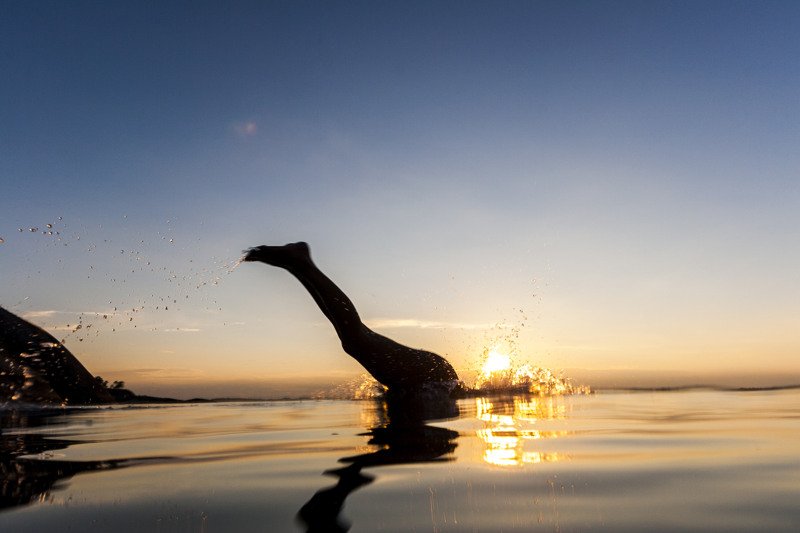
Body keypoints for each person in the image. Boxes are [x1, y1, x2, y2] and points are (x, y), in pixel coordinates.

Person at [243, 242, 461, 395]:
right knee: (356, 338)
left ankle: (296, 265)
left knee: (353, 339)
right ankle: (300, 263)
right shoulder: (443, 390)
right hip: (430, 377)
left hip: (430, 376)